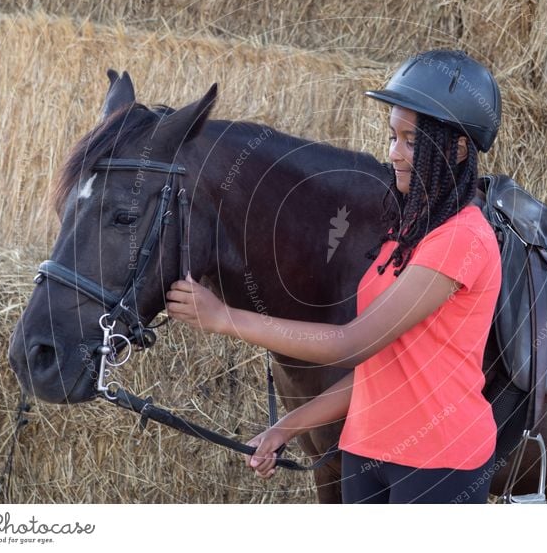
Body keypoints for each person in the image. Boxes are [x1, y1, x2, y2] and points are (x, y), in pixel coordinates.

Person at [166, 49, 503, 504]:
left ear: (457, 149)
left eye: (410, 141)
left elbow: (352, 344)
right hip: (365, 449)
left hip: (436, 460)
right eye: (392, 137)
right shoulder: (402, 236)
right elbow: (377, 370)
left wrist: (224, 317)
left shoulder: (463, 239)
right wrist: (285, 427)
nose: (394, 154)